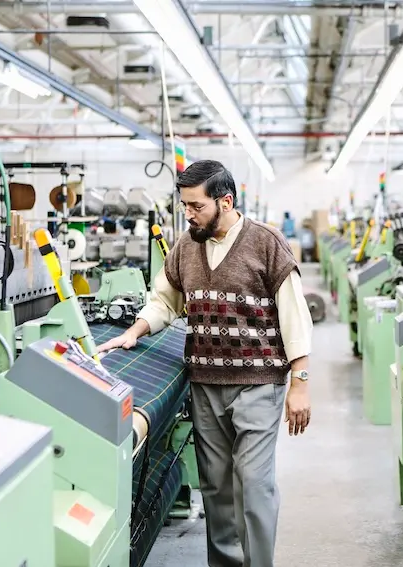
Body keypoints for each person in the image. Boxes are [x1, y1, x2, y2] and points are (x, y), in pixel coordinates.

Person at [98, 160, 313, 567]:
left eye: (196, 206)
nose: (189, 214)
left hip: (259, 383)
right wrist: (136, 329)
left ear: (225, 201)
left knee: (254, 485)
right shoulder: (186, 245)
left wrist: (300, 382)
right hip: (206, 384)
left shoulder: (266, 243)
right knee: (215, 488)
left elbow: (294, 316)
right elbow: (165, 300)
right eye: (184, 206)